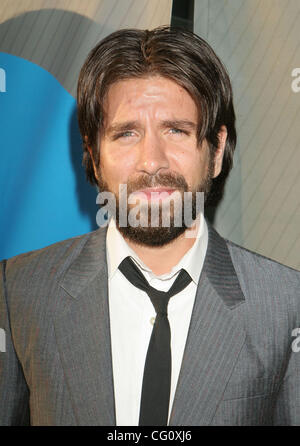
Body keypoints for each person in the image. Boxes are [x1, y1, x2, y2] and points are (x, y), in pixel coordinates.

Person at [0, 26, 299, 426]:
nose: (152, 161)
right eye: (126, 134)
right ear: (92, 155)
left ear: (215, 151)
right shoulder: (19, 291)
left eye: (176, 130)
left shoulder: (285, 305)